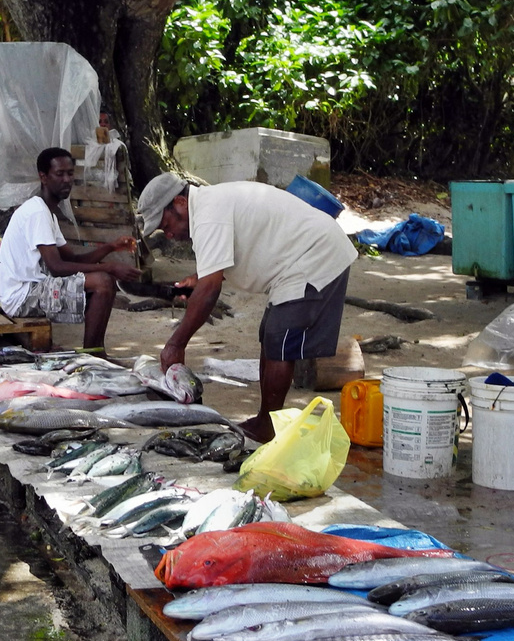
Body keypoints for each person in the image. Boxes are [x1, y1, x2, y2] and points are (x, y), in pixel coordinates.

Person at [137, 173, 357, 442]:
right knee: (270, 335)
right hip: (295, 263)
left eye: (166, 223)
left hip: (315, 255)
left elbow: (210, 289)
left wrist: (176, 344)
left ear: (180, 202)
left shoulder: (207, 214)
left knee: (280, 340)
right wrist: (199, 278)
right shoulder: (207, 206)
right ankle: (266, 419)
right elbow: (217, 267)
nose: (168, 234)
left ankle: (269, 425)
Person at [0, 147, 139, 354]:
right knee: (102, 281)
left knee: (101, 281)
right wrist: (109, 267)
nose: (67, 180)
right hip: (21, 296)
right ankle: (93, 354)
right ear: (43, 177)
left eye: (70, 173)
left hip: (34, 288)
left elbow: (72, 258)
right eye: (59, 174)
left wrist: (111, 247)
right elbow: (57, 267)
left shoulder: (49, 214)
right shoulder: (37, 212)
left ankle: (95, 352)